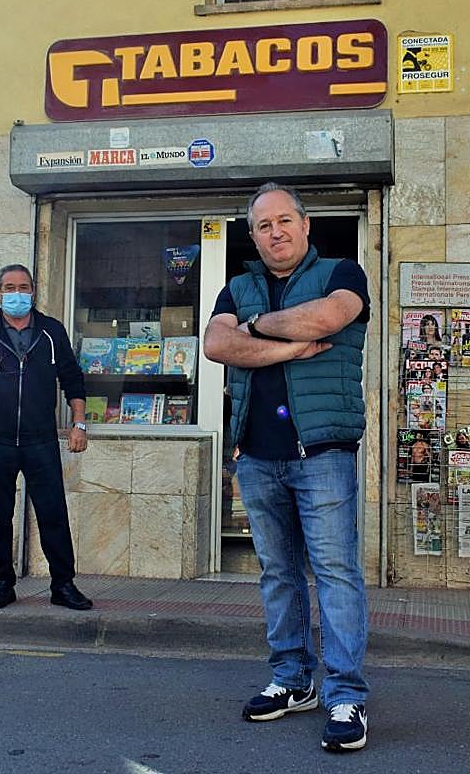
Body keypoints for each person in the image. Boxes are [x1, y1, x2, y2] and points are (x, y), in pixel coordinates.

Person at [203, 182, 371, 753]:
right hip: (256, 455)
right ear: (253, 236)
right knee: (278, 574)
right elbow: (217, 346)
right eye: (263, 226)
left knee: (335, 573)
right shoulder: (238, 286)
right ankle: (292, 679)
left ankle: (345, 694)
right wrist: (289, 345)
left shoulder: (342, 273)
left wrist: (253, 329)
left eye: (283, 221)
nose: (275, 232)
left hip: (322, 453)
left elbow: (329, 316)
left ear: (305, 224)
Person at [0, 264, 93, 612]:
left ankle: (63, 585)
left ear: (33, 292)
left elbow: (73, 379)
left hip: (40, 440)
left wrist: (79, 424)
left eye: (23, 287)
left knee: (53, 513)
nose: (17, 294)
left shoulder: (51, 331)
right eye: (9, 288)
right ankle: (2, 584)